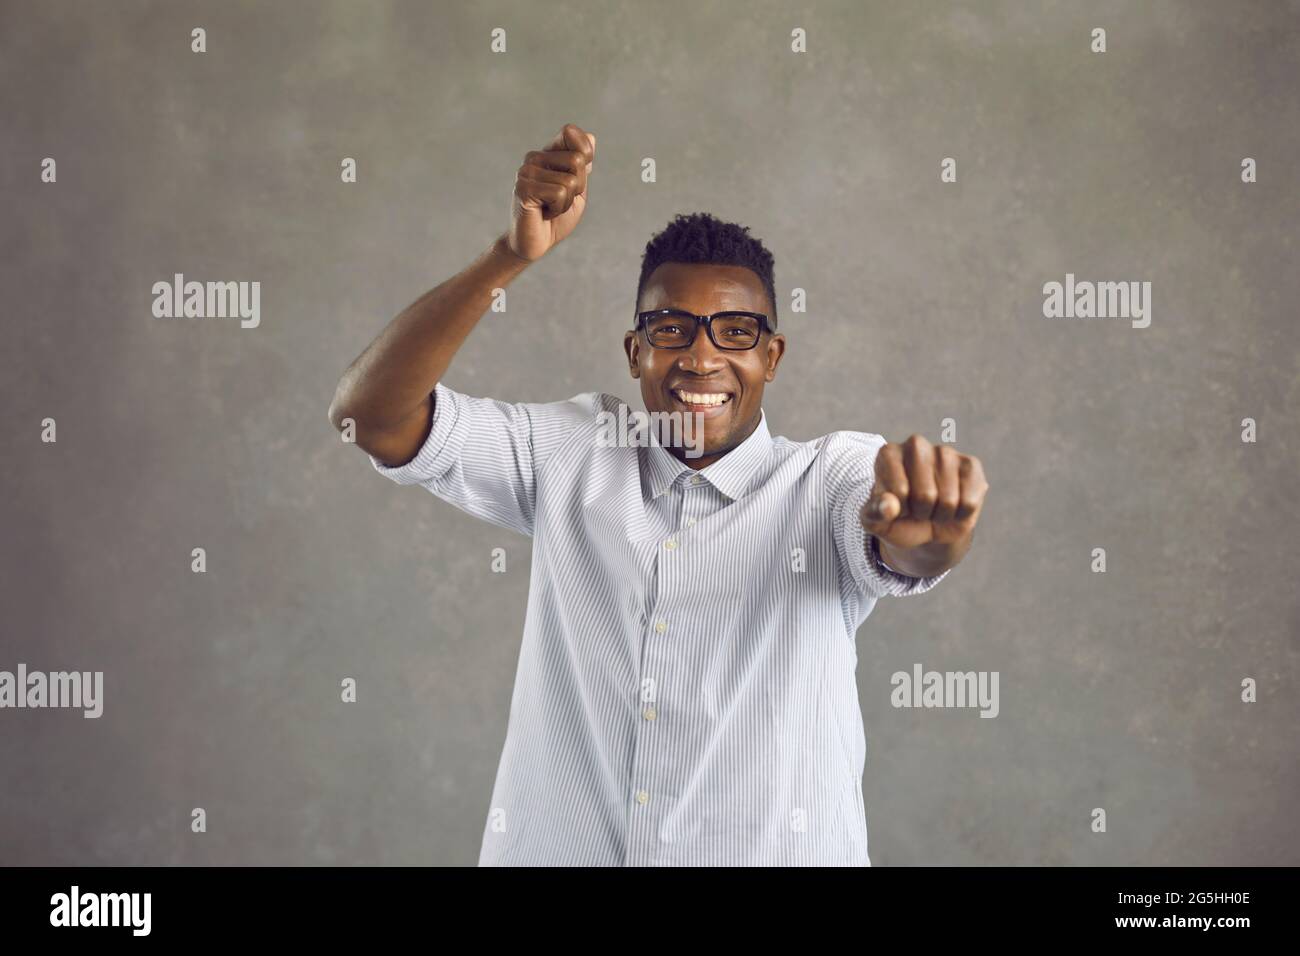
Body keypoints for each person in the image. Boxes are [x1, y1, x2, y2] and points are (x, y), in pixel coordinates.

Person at [328, 123, 989, 866]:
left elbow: (901, 539)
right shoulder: (573, 452)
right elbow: (369, 416)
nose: (701, 356)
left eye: (734, 332)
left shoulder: (823, 480)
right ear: (635, 351)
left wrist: (932, 529)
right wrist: (507, 258)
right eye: (671, 328)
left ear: (771, 358)